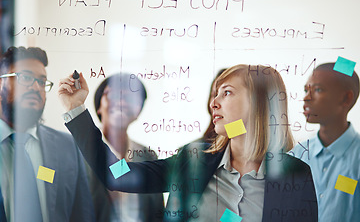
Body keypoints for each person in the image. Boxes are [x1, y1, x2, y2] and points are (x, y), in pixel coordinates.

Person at [58, 64, 318, 222]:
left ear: (259, 102)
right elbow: (119, 176)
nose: (213, 103)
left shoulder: (296, 176)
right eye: (214, 93)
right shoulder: (192, 159)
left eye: (226, 92)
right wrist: (76, 111)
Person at [0, 46, 95, 222]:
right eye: (26, 78)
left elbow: (83, 215)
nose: (36, 87)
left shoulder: (67, 146)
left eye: (42, 82)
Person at [291, 62, 360, 221]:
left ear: (346, 98)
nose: (306, 98)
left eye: (318, 90)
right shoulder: (297, 154)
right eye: (306, 90)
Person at [92, 73, 164, 221]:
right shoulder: (77, 149)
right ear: (99, 105)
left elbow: (157, 211)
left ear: (138, 111)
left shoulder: (147, 155)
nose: (121, 102)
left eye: (130, 97)